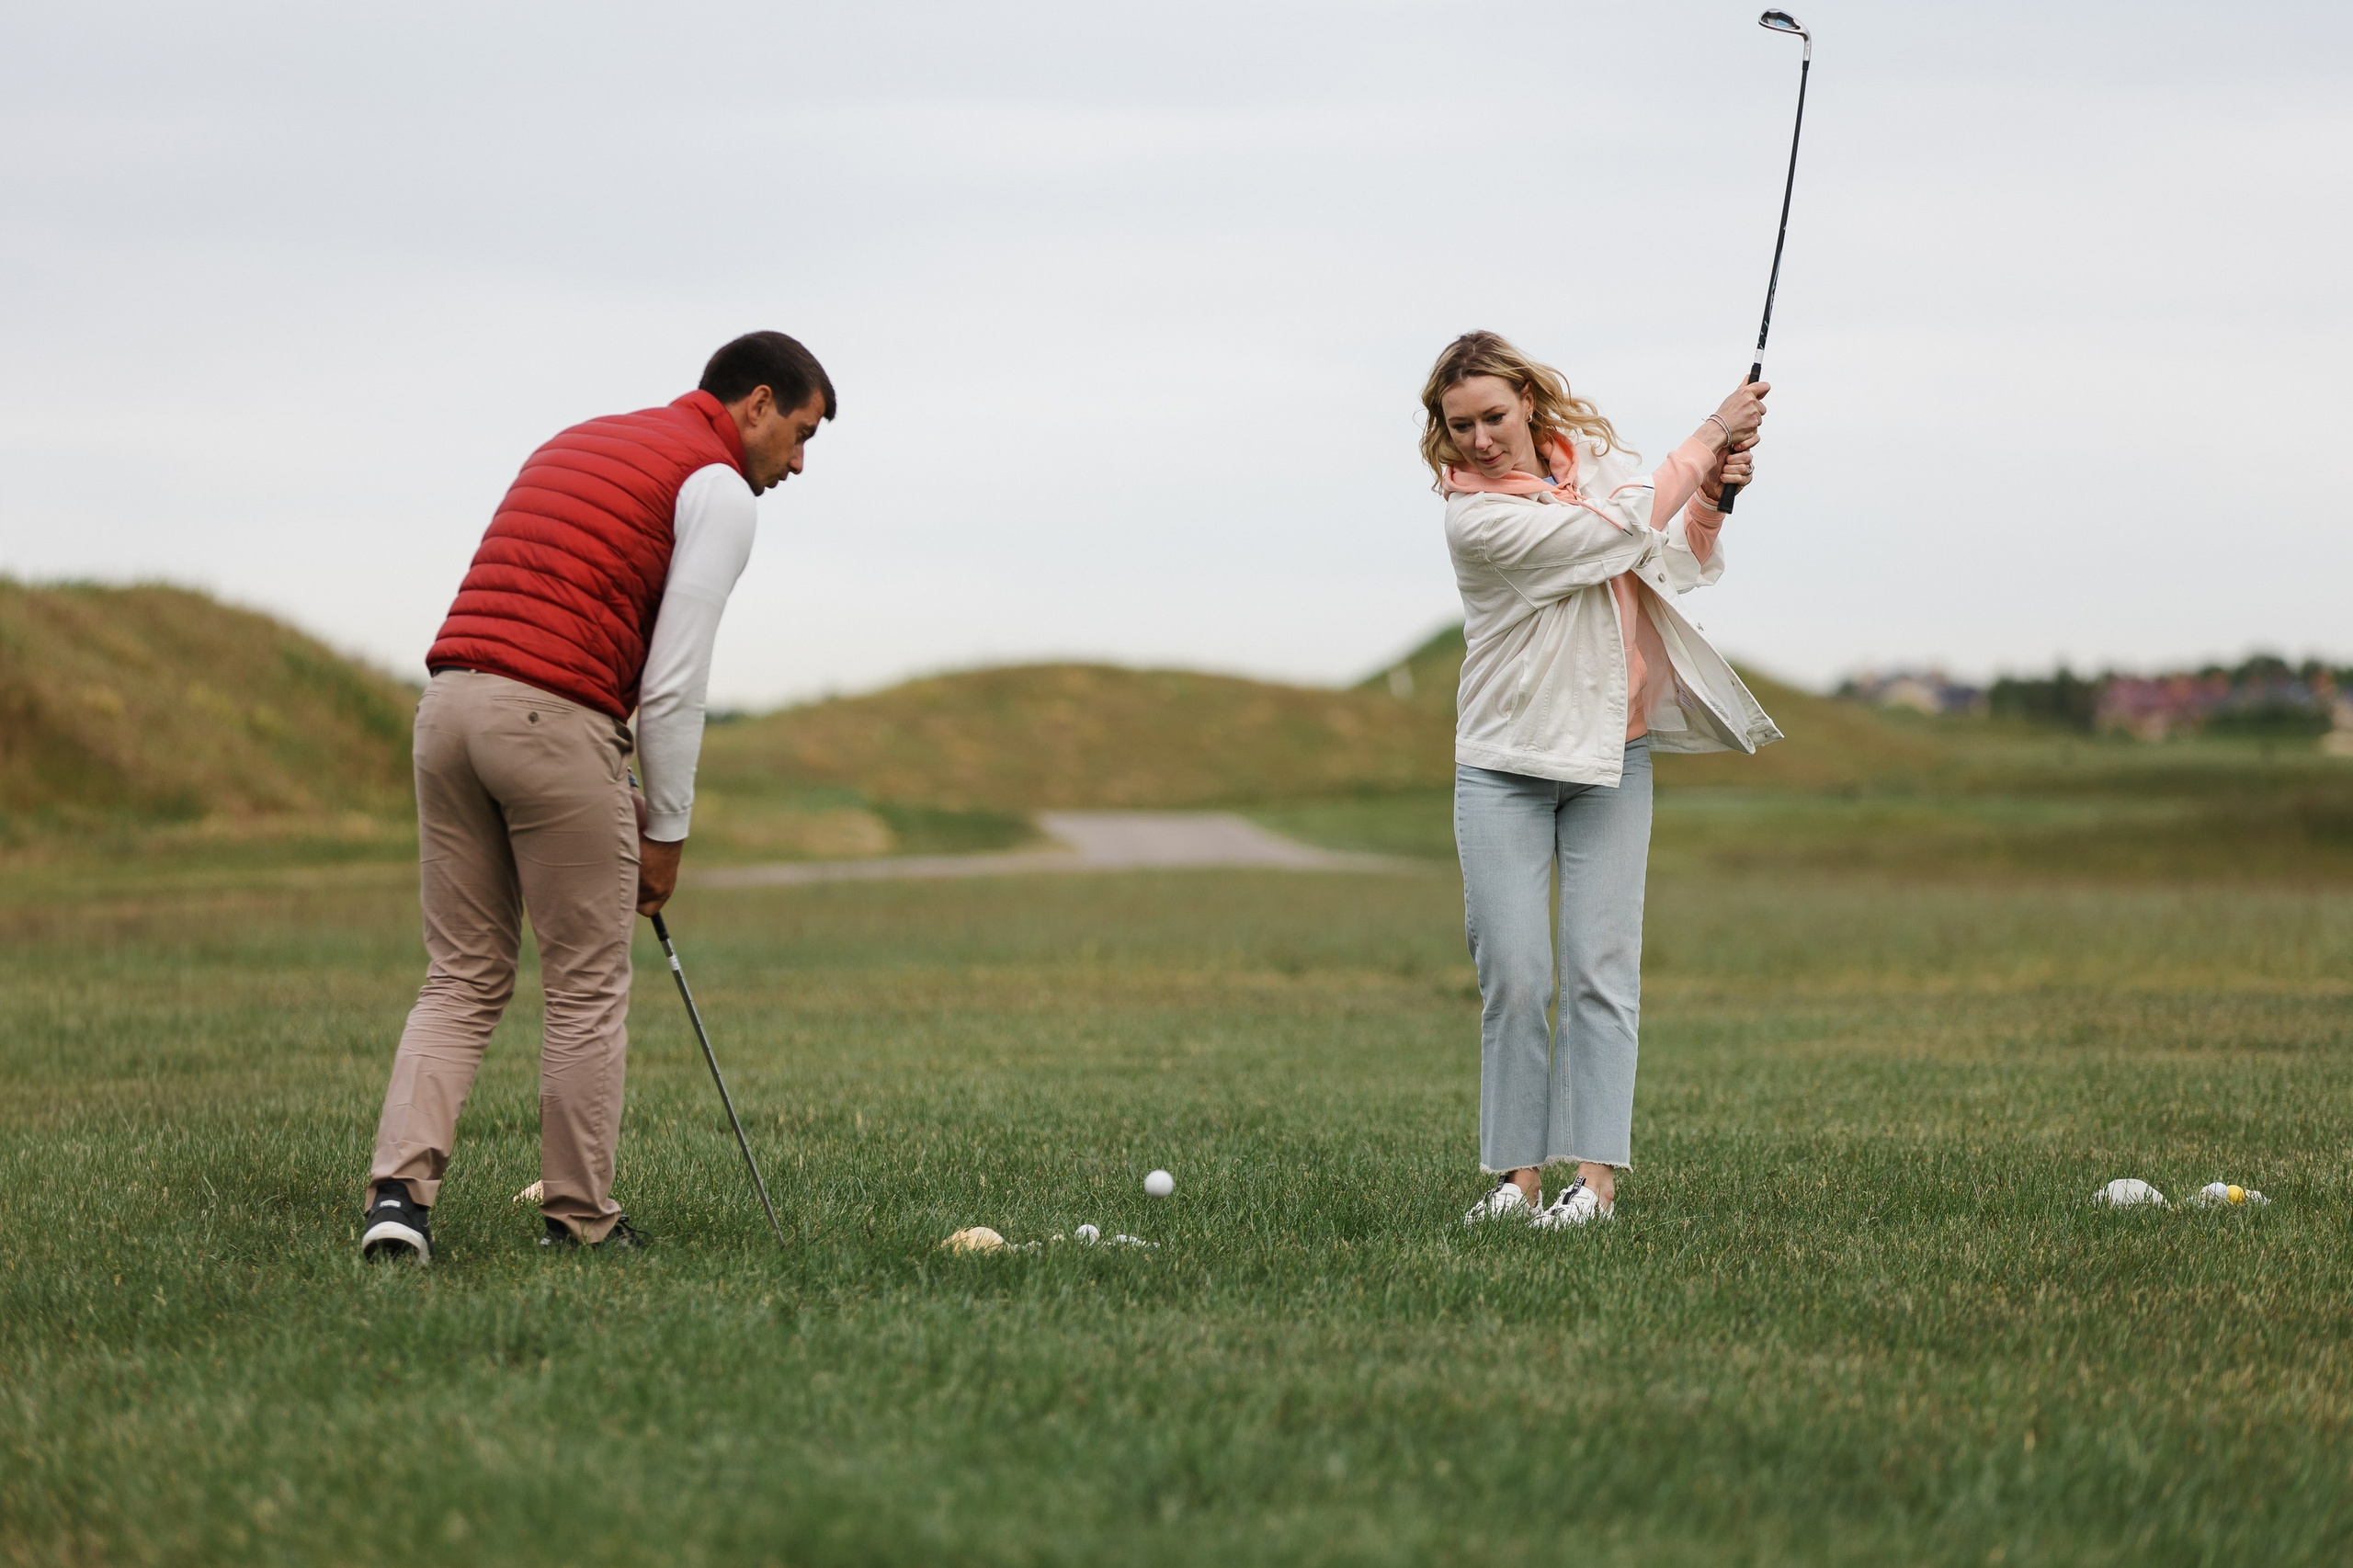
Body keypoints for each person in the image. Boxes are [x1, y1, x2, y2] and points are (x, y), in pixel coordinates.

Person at [358, 331, 834, 1262]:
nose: (800, 461)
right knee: (583, 983)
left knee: (461, 975)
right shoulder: (719, 486)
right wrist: (667, 832)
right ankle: (580, 1219)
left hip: (447, 707)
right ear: (757, 403)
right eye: (802, 432)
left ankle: (397, 1203)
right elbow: (672, 684)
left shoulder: (582, 438)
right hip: (552, 720)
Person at [1426, 331, 1779, 1231]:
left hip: (1613, 756)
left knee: (1600, 970)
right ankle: (1515, 1181)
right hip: (1503, 764)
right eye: (1458, 423)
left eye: (1492, 416)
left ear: (1527, 403)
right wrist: (1706, 433)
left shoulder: (1599, 467)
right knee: (1513, 972)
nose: (1478, 438)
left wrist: (1713, 496)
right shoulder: (1476, 518)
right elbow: (1613, 531)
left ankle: (1594, 1186)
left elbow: (1674, 561)